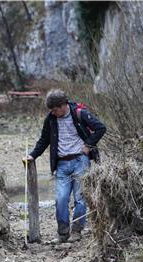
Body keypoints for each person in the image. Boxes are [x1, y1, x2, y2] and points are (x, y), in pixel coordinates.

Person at [24, 89, 106, 243]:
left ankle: (77, 231)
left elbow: (101, 128)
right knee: (61, 199)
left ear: (64, 105)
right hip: (61, 164)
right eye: (51, 111)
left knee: (80, 198)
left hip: (80, 161)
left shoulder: (80, 113)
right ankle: (63, 233)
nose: (53, 113)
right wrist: (32, 155)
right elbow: (44, 140)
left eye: (55, 110)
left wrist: (88, 145)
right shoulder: (50, 119)